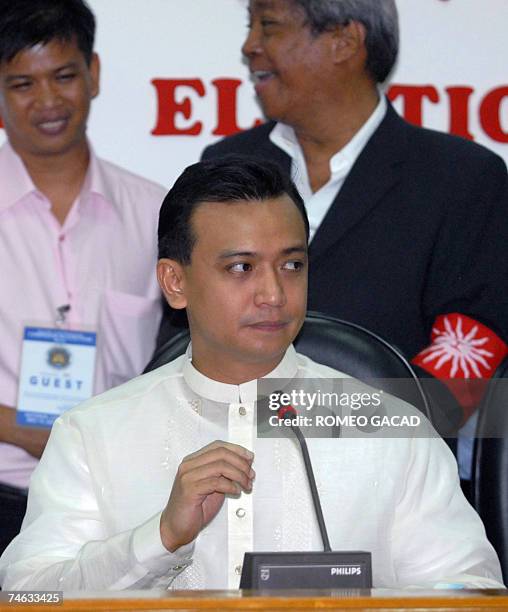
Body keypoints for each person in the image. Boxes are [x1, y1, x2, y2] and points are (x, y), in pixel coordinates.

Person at [0, 156, 502, 590]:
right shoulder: (93, 434)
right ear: (175, 282)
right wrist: (157, 539)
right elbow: (27, 597)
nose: (273, 295)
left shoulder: (396, 431)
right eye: (241, 268)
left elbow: (470, 591)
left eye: (292, 266)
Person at [155, 0, 508, 460]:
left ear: (345, 41)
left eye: (269, 27)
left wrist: (298, 421)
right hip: (227, 469)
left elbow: (459, 373)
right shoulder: (225, 164)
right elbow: (180, 337)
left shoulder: (462, 178)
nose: (249, 46)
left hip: (389, 478)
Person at [0, 0, 165, 553]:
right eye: (22, 83)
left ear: (93, 74)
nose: (47, 101)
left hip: (125, 500)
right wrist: (11, 426)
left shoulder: (157, 213)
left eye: (64, 76)